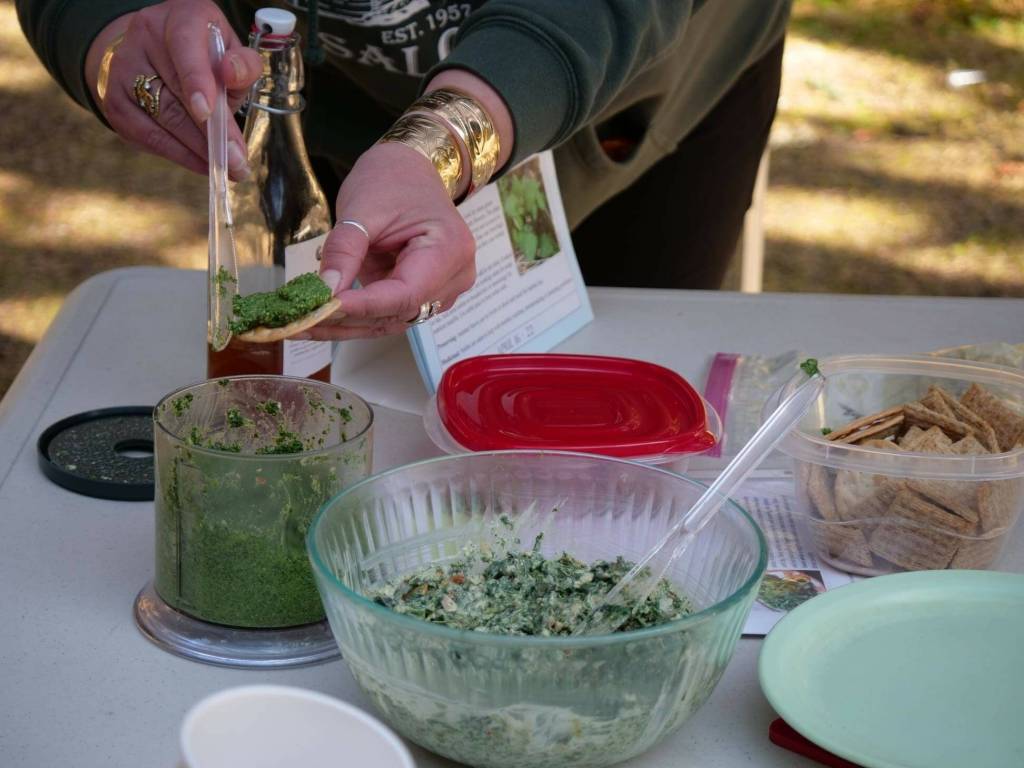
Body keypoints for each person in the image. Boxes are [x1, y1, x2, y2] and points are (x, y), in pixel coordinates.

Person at [17, 0, 791, 339]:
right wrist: (108, 35)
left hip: (630, 88)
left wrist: (438, 143)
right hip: (334, 103)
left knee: (623, 393)